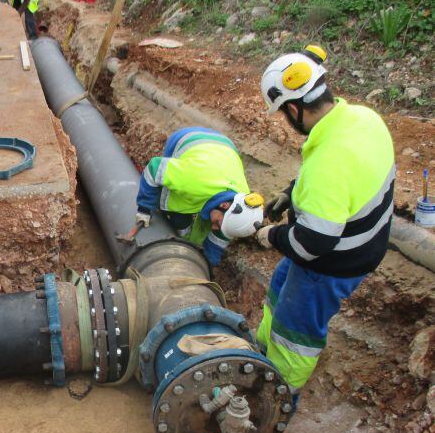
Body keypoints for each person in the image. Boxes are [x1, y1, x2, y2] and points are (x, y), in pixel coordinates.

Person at [255, 45, 395, 403]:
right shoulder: (361, 119)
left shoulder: (327, 162)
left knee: (294, 332)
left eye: (283, 114)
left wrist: (272, 236)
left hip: (335, 260)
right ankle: (260, 351)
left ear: (293, 109)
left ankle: (276, 398)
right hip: (362, 237)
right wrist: (291, 193)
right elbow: (343, 182)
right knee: (280, 284)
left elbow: (312, 244)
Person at [135, 127, 264, 267]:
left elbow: (220, 238)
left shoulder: (239, 205)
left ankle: (187, 237)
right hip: (186, 139)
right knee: (172, 198)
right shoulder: (192, 179)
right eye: (218, 223)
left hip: (226, 148)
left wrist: (208, 264)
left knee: (206, 214)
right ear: (224, 205)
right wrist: (145, 209)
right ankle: (180, 230)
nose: (214, 228)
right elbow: (154, 168)